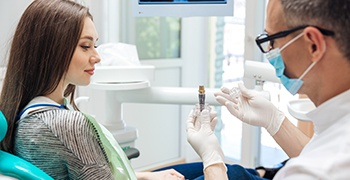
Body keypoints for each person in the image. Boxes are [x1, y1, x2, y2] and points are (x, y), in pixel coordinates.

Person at [0, 0, 187, 179]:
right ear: (52, 49)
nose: (96, 57)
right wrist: (209, 153)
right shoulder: (67, 125)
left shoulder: (24, 114)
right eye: (85, 46)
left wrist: (145, 176)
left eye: (94, 46)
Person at [190, 0, 350, 179]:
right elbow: (320, 153)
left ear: (313, 45)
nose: (270, 52)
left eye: (271, 40)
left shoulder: (313, 172)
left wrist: (212, 160)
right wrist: (274, 120)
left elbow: (319, 165)